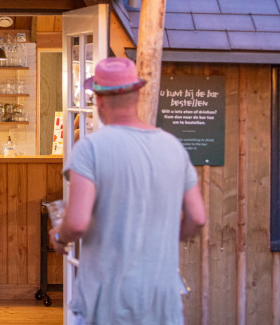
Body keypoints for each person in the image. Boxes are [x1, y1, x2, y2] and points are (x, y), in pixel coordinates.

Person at [49, 57, 206, 325]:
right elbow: (198, 218)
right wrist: (162, 240)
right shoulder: (173, 147)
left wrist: (59, 237)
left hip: (106, 303)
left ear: (98, 101)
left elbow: (75, 222)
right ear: (136, 94)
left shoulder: (90, 148)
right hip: (162, 302)